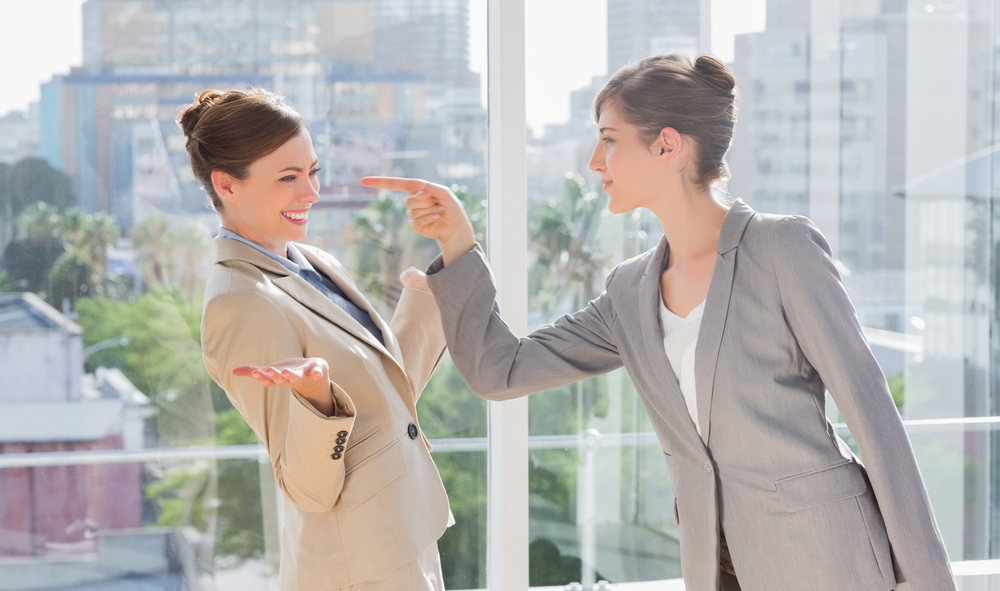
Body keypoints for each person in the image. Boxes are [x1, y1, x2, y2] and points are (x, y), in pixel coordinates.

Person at [362, 54, 956, 591]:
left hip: (828, 555)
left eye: (609, 139)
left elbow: (874, 419)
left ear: (667, 145)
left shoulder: (781, 248)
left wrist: (929, 582)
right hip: (715, 565)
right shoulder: (630, 291)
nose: (594, 161)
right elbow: (500, 369)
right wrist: (458, 245)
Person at [181, 87, 451, 591]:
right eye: (288, 178)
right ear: (227, 184)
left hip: (402, 538)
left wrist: (423, 305)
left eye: (312, 171)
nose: (311, 193)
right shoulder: (241, 302)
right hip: (357, 569)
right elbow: (307, 487)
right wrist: (317, 401)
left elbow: (385, 403)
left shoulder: (311, 262)